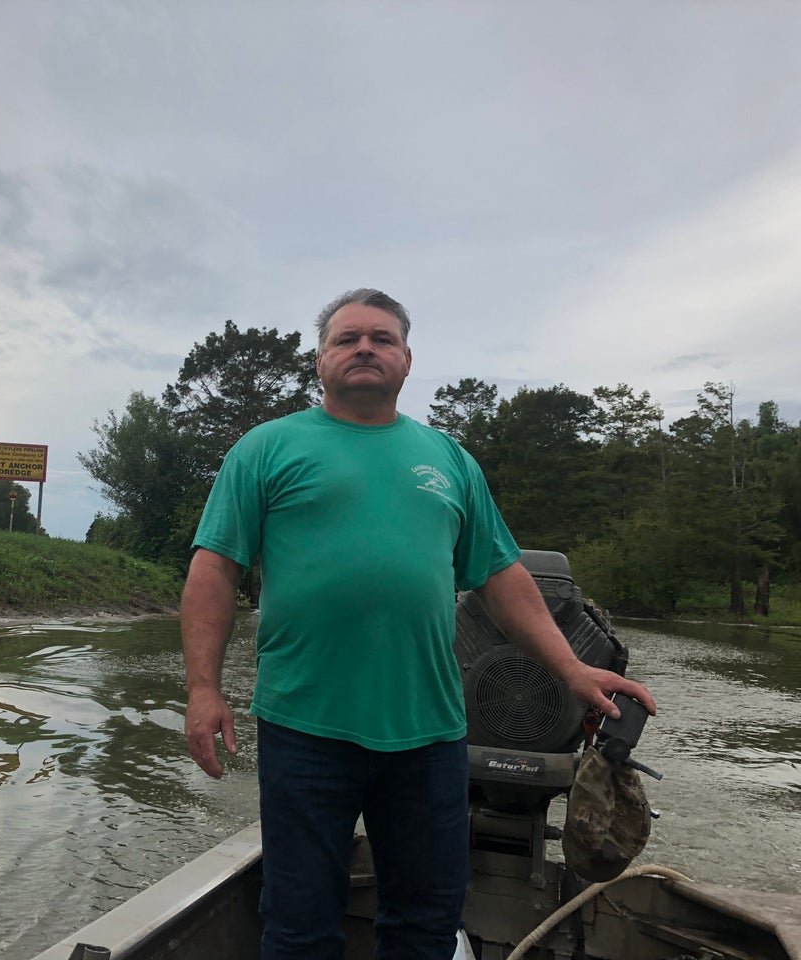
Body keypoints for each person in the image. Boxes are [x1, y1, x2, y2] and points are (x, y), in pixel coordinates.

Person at [181, 288, 657, 960]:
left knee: (424, 926)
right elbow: (214, 571)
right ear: (320, 361)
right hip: (304, 727)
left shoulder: (451, 461)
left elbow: (502, 579)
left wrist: (573, 669)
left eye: (382, 338)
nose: (365, 347)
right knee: (297, 924)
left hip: (430, 735)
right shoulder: (266, 448)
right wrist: (203, 689)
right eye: (347, 338)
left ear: (407, 361)